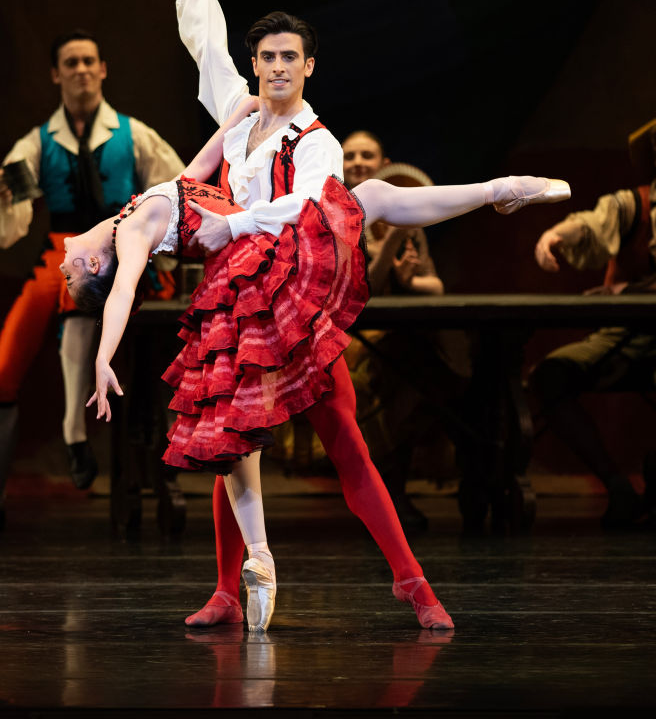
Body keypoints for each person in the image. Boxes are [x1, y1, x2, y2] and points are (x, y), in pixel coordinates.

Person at [65, 104, 568, 630]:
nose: (61, 264)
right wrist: (103, 356)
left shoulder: (140, 209)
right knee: (235, 449)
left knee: (338, 440)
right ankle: (234, 587)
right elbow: (122, 292)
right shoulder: (130, 235)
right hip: (255, 296)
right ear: (94, 263)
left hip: (274, 282)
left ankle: (407, 579)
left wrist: (238, 106)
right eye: (71, 275)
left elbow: (198, 165)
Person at [0, 29, 184, 532]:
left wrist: (157, 243)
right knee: (3, 370)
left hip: (124, 249)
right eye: (71, 63)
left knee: (150, 340)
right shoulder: (38, 143)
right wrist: (2, 195)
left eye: (88, 61)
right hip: (60, 253)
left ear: (103, 69)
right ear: (56, 74)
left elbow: (177, 188)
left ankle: (80, 432)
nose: (81, 70)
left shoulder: (134, 135)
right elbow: (2, 216)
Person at [340, 130, 475, 532]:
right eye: (350, 156)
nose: (358, 162)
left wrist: (410, 279)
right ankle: (390, 492)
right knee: (408, 371)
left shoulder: (408, 220)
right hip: (356, 336)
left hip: (406, 335)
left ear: (384, 165)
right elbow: (367, 288)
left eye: (367, 155)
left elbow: (435, 286)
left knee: (433, 367)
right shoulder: (337, 216)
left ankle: (461, 474)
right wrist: (393, 244)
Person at [529, 116, 656, 529]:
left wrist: (633, 291)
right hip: (627, 333)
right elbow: (589, 225)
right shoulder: (633, 203)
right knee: (550, 376)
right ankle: (617, 485)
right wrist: (555, 236)